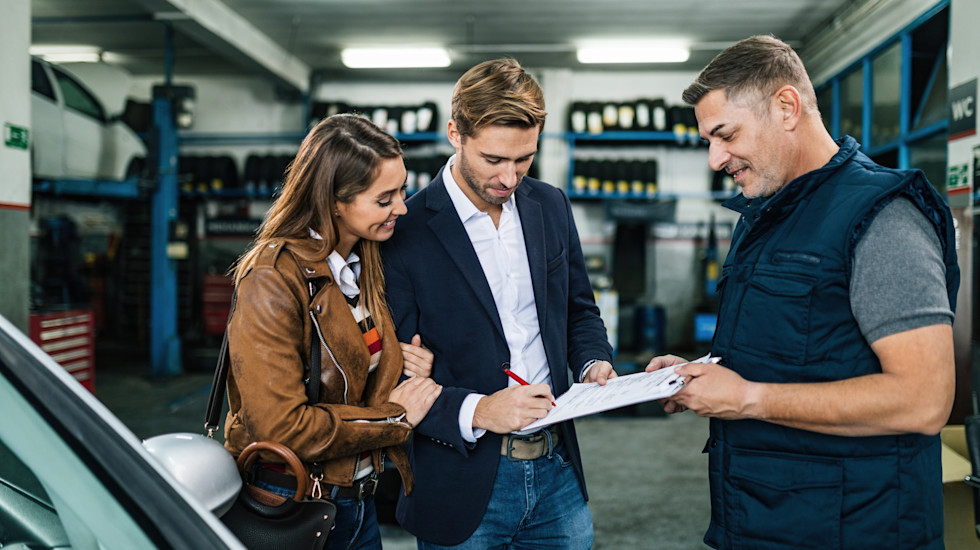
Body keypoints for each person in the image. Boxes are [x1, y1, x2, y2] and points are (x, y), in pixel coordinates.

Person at [646, 35, 960, 549]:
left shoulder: (882, 219)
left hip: (856, 528)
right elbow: (798, 352)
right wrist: (706, 377)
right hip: (767, 519)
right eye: (708, 140)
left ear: (786, 107)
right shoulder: (768, 215)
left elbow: (922, 399)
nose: (715, 158)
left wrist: (747, 398)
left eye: (724, 134)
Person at [381, 57, 616, 549]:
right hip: (460, 483)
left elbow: (578, 308)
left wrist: (594, 363)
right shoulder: (403, 230)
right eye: (493, 160)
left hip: (557, 475)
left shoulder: (550, 204)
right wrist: (480, 410)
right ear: (455, 133)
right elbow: (393, 372)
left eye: (524, 158)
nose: (510, 178)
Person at [225, 113, 443, 550]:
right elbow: (282, 427)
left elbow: (345, 371)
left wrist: (400, 362)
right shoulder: (273, 277)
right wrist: (395, 417)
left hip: (356, 504)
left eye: (402, 190)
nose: (402, 207)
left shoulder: (362, 264)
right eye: (385, 199)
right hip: (295, 502)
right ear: (334, 201)